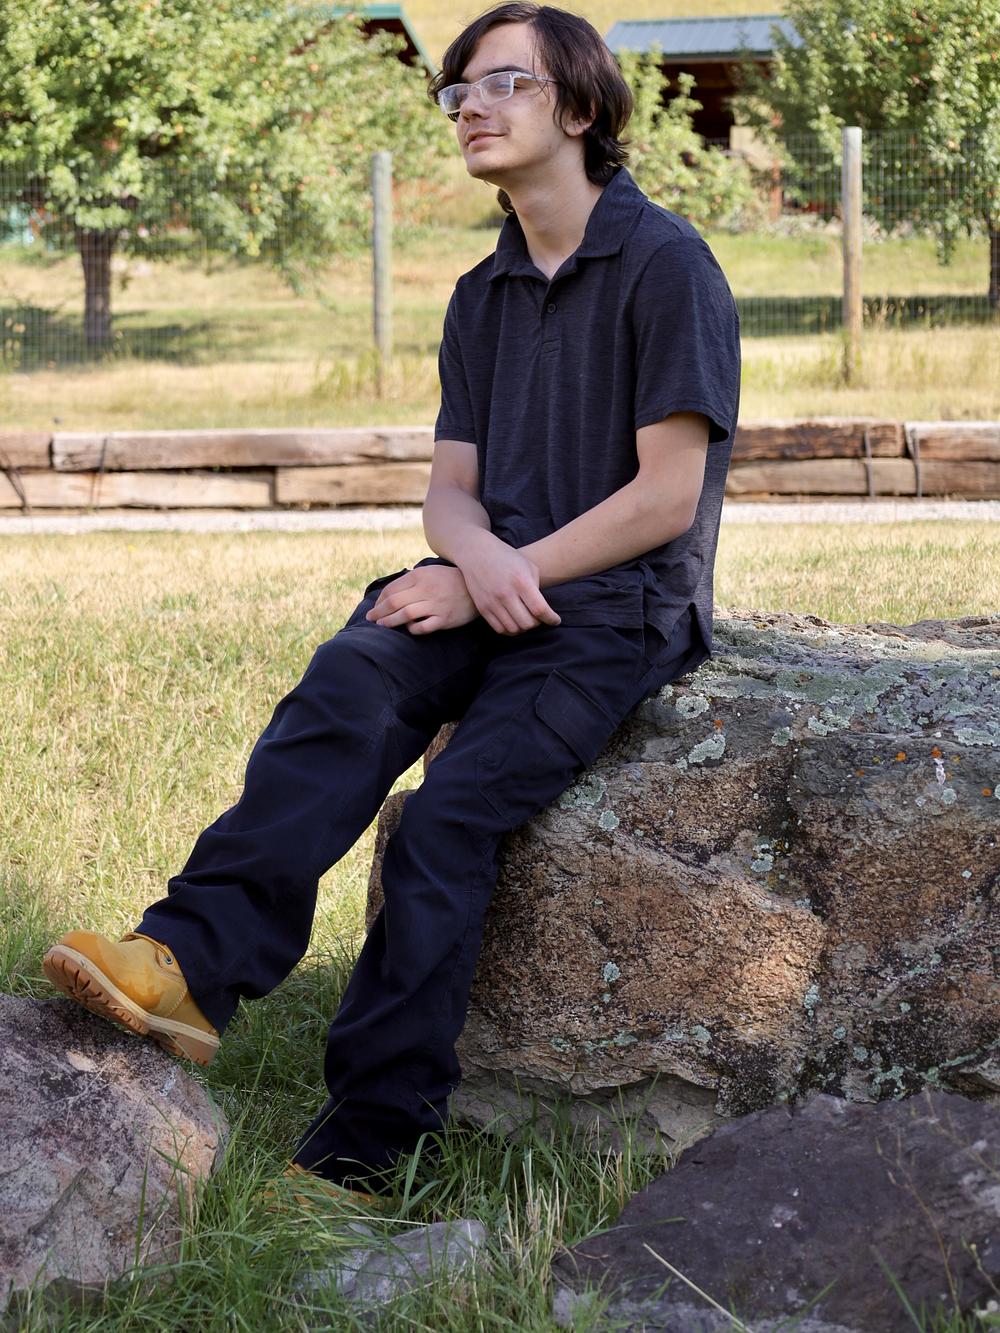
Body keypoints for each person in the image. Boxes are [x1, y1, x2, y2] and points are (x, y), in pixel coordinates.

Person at [42, 1, 741, 1202]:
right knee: (353, 677)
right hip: (488, 579)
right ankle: (187, 962)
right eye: (458, 90)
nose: (471, 106)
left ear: (580, 107)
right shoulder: (482, 293)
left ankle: (370, 1145)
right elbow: (449, 493)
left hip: (614, 609)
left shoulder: (667, 265)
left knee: (444, 820)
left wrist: (503, 574)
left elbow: (665, 497)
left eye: (505, 84)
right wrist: (471, 567)